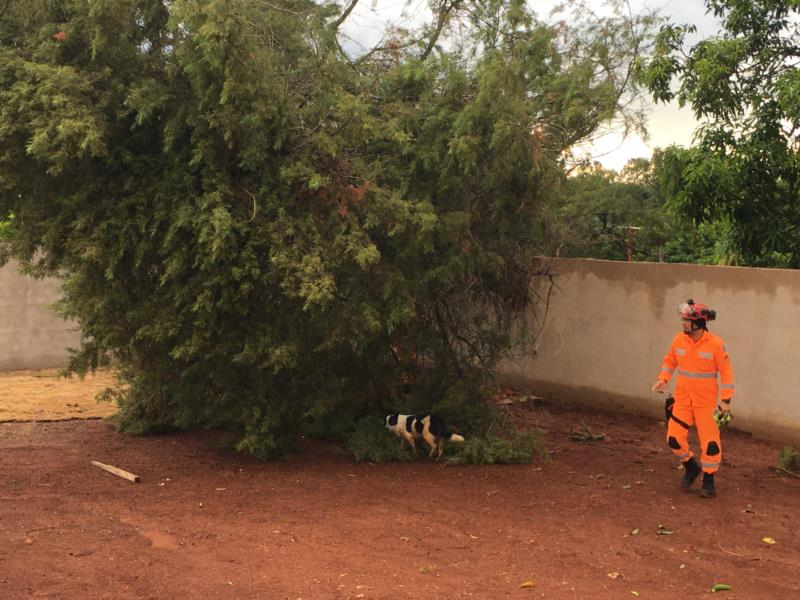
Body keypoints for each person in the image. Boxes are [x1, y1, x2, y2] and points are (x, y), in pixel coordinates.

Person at [651, 299, 734, 498]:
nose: (683, 323)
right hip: (683, 401)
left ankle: (708, 481)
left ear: (698, 323)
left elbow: (726, 373)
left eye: (687, 320)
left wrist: (725, 400)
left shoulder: (715, 344)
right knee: (673, 439)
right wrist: (663, 379)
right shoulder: (678, 340)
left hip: (706, 404)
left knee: (710, 444)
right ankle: (691, 466)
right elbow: (669, 362)